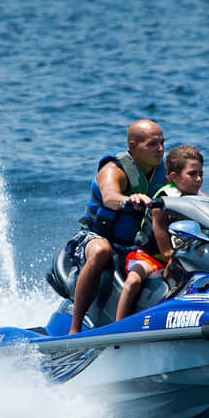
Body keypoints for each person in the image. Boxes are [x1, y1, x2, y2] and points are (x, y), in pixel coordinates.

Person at [115, 145, 209, 321]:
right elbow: (166, 252)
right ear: (174, 177)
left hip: (180, 258)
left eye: (201, 174)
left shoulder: (196, 195)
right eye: (192, 174)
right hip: (151, 257)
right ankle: (118, 326)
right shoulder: (163, 202)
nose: (199, 179)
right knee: (133, 281)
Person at [65, 119, 165, 334]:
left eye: (162, 143)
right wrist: (128, 200)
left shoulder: (163, 170)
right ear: (133, 146)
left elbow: (191, 194)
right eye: (152, 144)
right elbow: (110, 197)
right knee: (101, 252)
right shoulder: (113, 169)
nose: (160, 149)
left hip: (134, 244)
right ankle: (75, 329)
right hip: (95, 236)